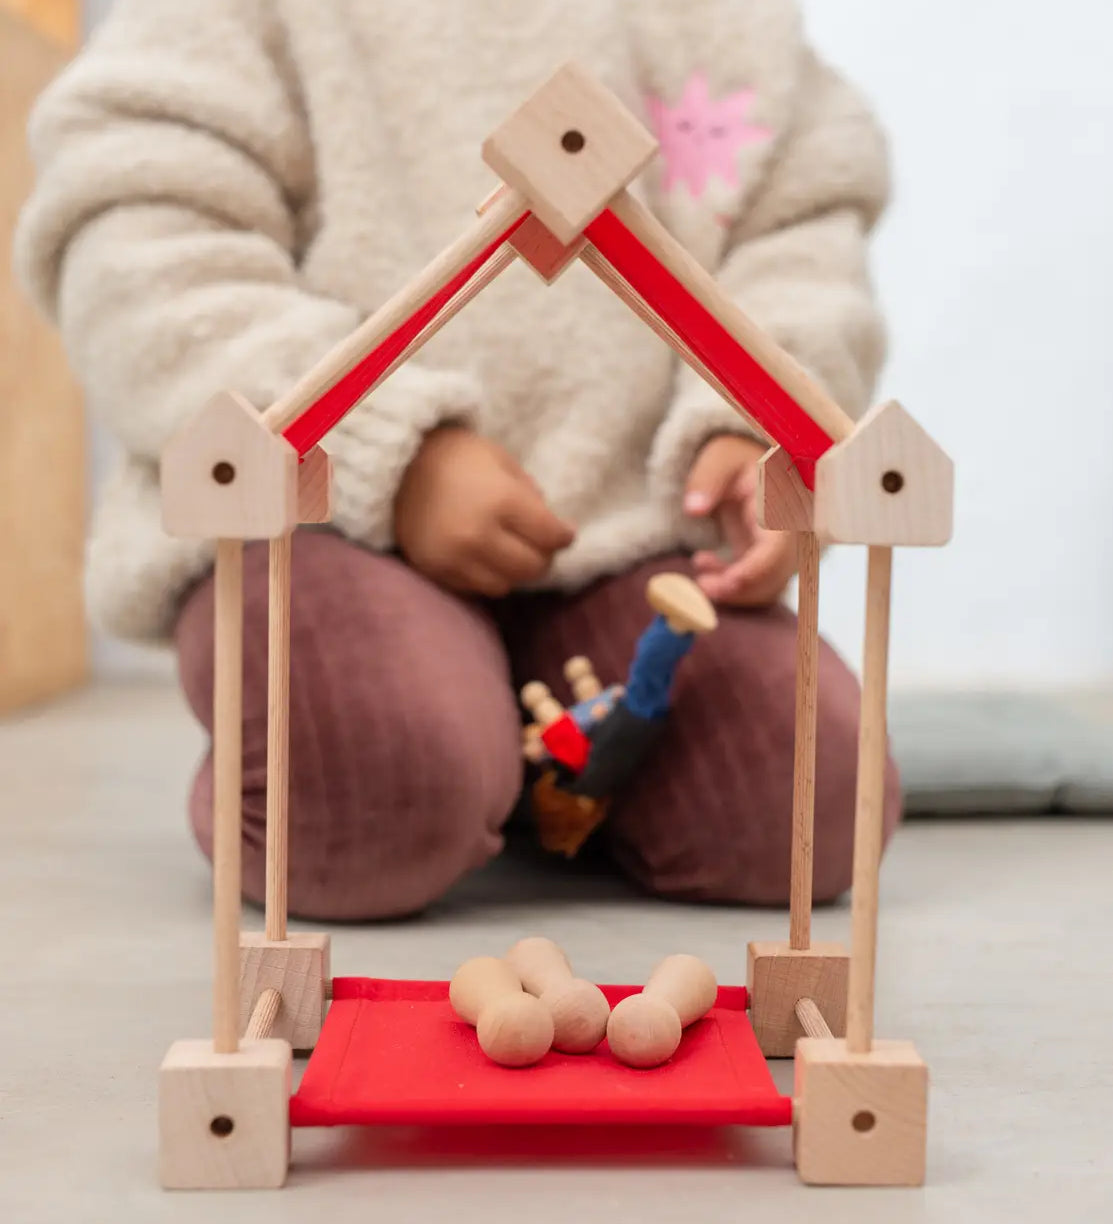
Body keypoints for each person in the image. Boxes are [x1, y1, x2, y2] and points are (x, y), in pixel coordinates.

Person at [15, 0, 901, 920]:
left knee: (809, 808)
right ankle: (465, 759)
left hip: (632, 536)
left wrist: (752, 422)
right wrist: (388, 450)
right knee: (366, 791)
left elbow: (796, 230)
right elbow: (144, 239)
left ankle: (523, 770)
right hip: (321, 526)